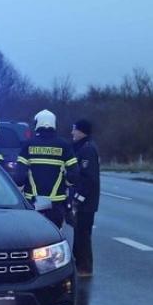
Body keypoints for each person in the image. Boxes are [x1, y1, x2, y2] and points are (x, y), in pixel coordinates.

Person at [14, 110, 78, 227]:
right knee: (54, 236)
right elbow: (74, 174)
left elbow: (19, 176)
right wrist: (66, 183)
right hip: (56, 201)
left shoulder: (28, 145)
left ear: (38, 123)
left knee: (33, 234)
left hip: (33, 201)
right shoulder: (64, 145)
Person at [70, 119, 101, 277]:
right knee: (79, 232)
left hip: (86, 202)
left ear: (82, 131)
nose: (72, 133)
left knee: (83, 234)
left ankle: (85, 268)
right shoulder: (81, 147)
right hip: (83, 201)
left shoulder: (87, 150)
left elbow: (89, 178)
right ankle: (79, 264)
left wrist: (78, 198)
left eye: (74, 129)